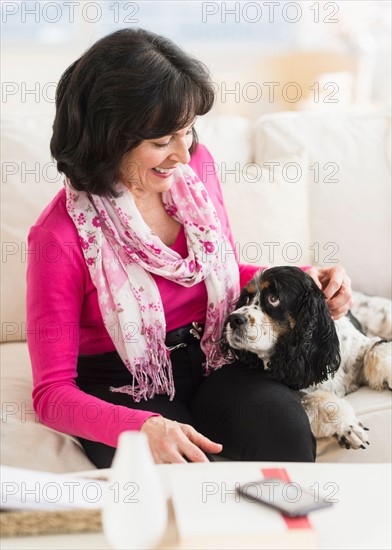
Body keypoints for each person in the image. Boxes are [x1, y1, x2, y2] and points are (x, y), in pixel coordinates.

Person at [26, 28, 352, 468]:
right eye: (161, 142)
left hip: (215, 352)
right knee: (179, 476)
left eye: (188, 132)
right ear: (108, 140)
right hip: (124, 384)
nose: (182, 153)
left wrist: (306, 277)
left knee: (283, 430)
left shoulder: (195, 167)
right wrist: (138, 427)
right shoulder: (59, 236)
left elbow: (218, 270)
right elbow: (52, 394)